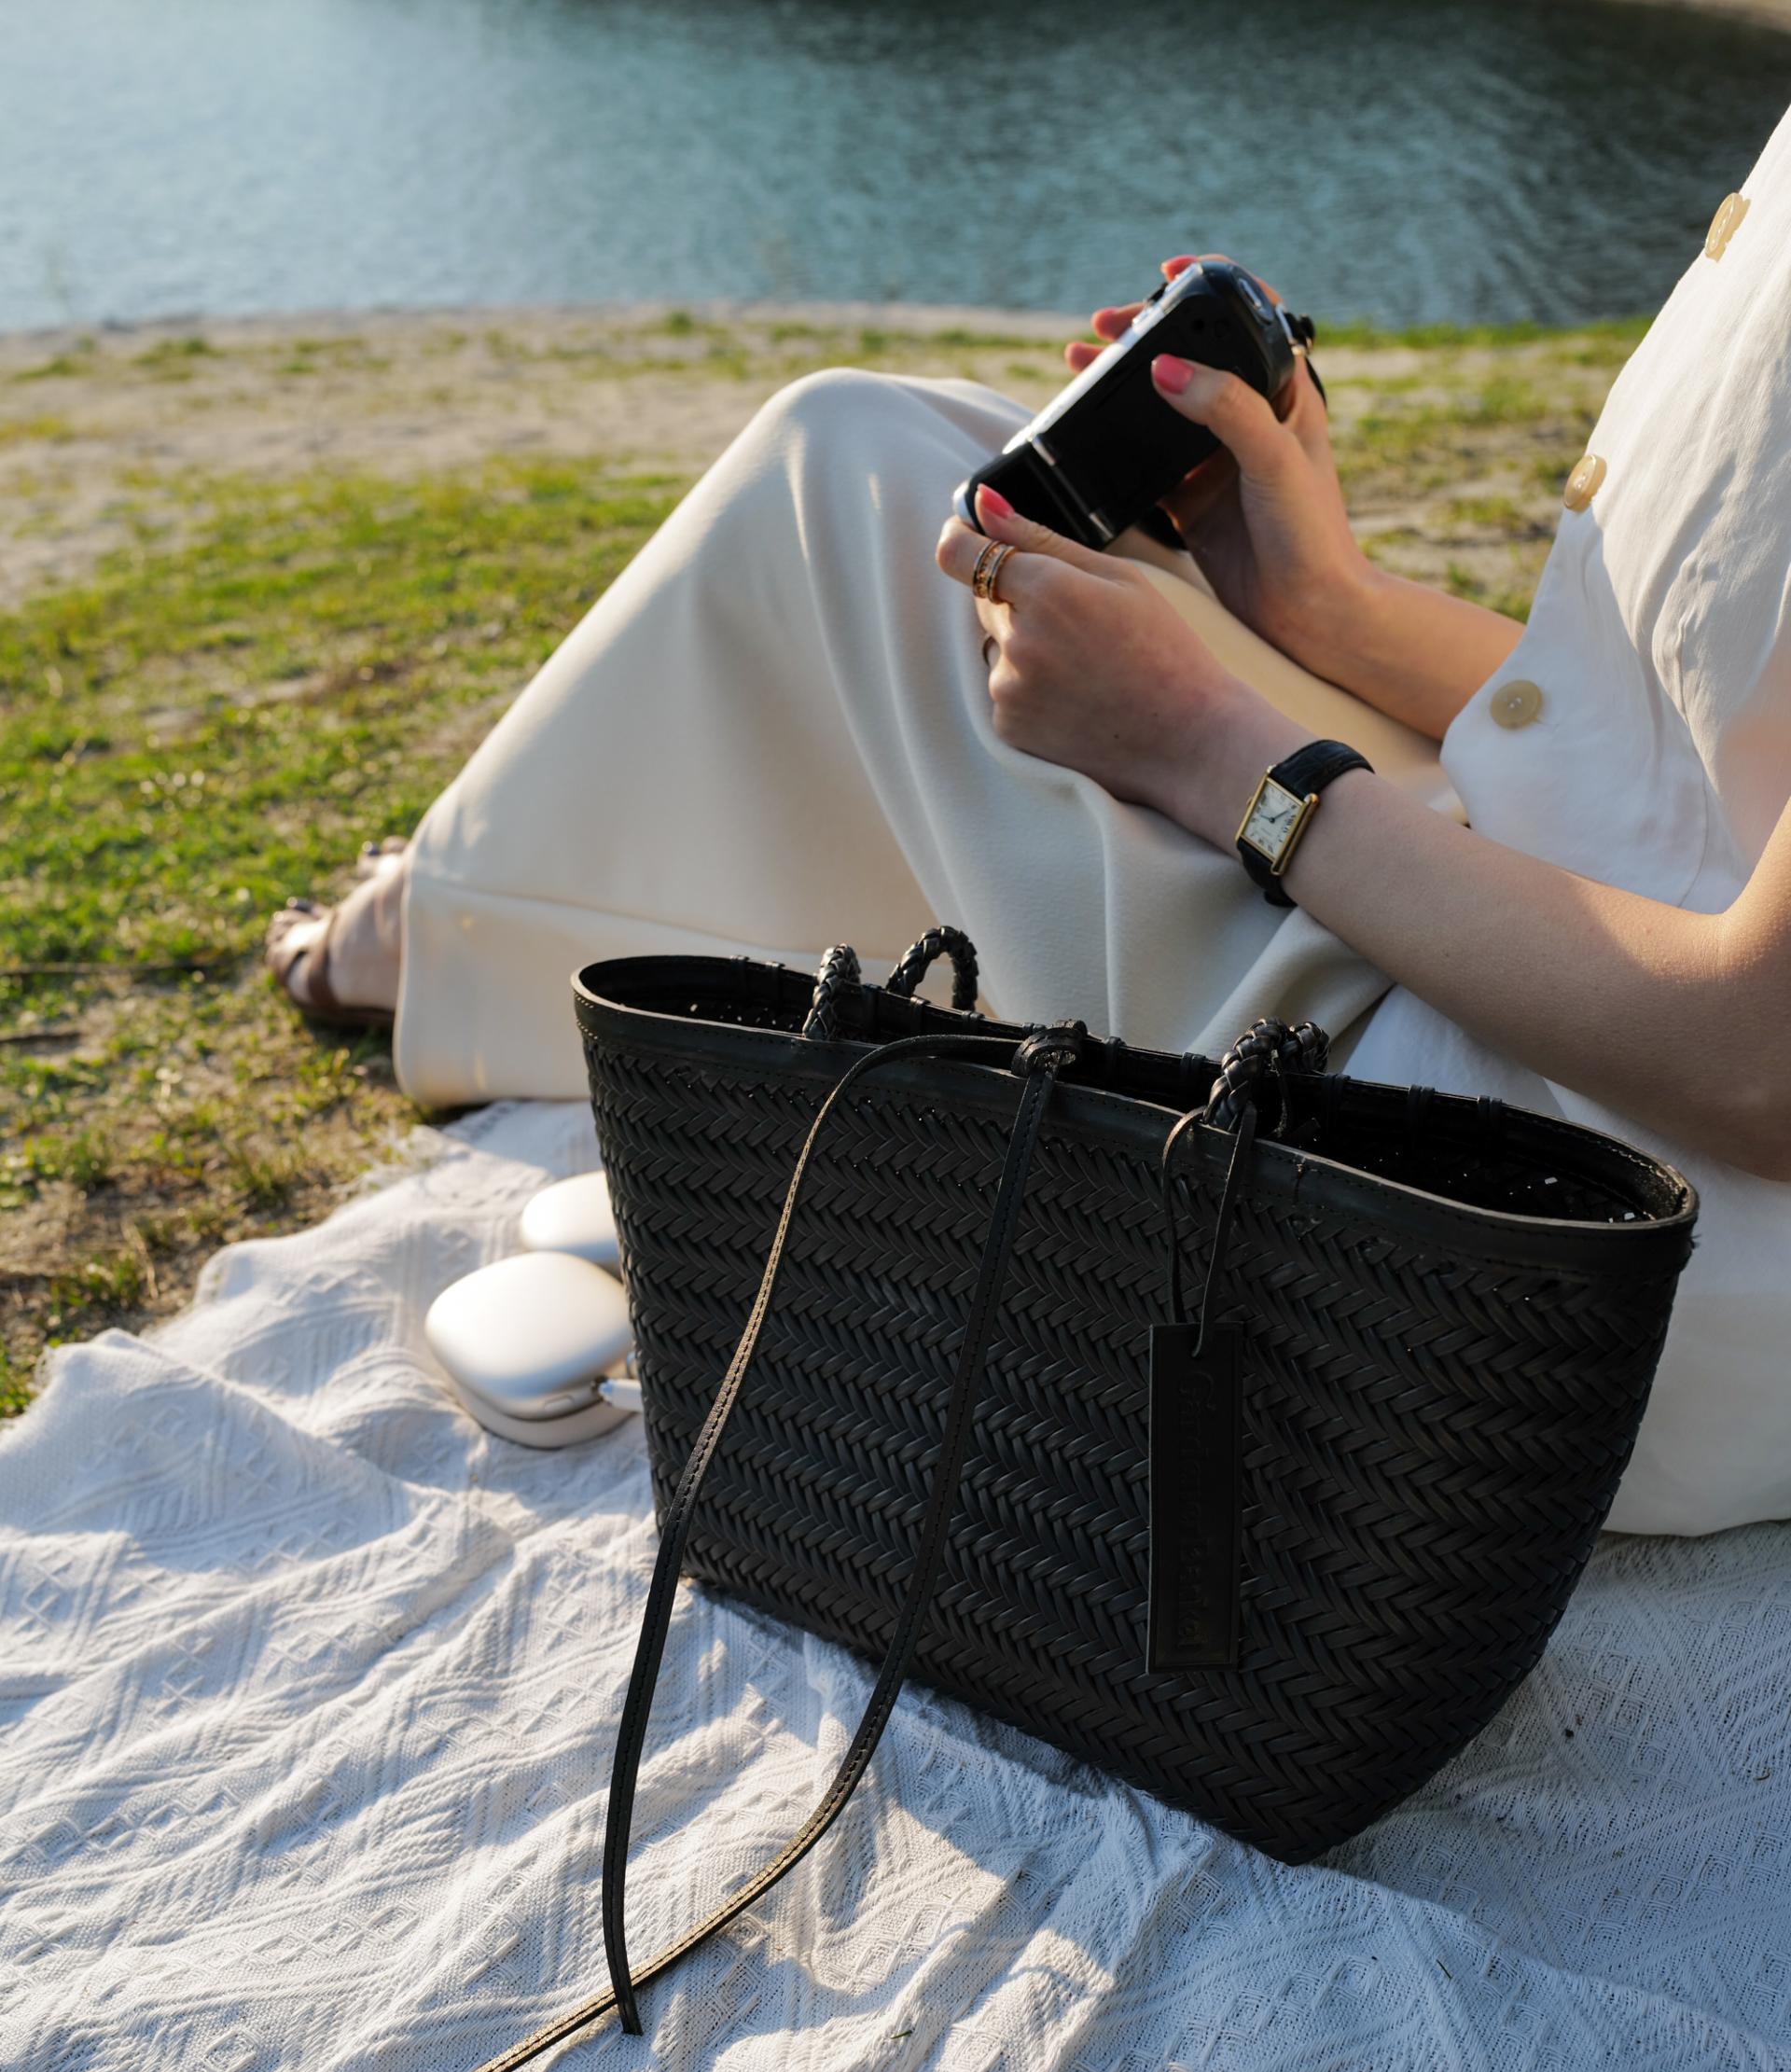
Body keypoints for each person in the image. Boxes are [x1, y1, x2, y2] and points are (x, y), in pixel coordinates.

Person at [269, 123, 1791, 1540]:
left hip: (1564, 1210)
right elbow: (1671, 736)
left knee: (861, 482)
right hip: (1564, 940)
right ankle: (497, 911)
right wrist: (1330, 608)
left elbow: (1758, 1063)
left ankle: (459, 935)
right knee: (1003, 492)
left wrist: (1216, 754)